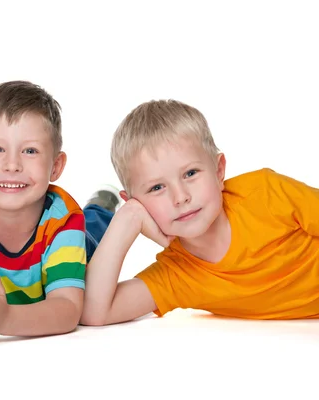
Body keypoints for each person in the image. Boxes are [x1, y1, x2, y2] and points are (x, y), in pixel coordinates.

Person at [80, 99, 319, 326]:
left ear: (218, 171)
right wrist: (127, 217)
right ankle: (103, 203)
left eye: (191, 173)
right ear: (135, 202)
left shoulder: (266, 195)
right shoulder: (177, 273)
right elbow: (95, 313)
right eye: (156, 188)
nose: (181, 197)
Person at [0, 80, 117, 343]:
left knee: (94, 229)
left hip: (78, 238)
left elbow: (68, 309)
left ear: (55, 166)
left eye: (30, 151)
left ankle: (103, 202)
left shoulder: (65, 220)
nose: (12, 164)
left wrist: (5, 320)